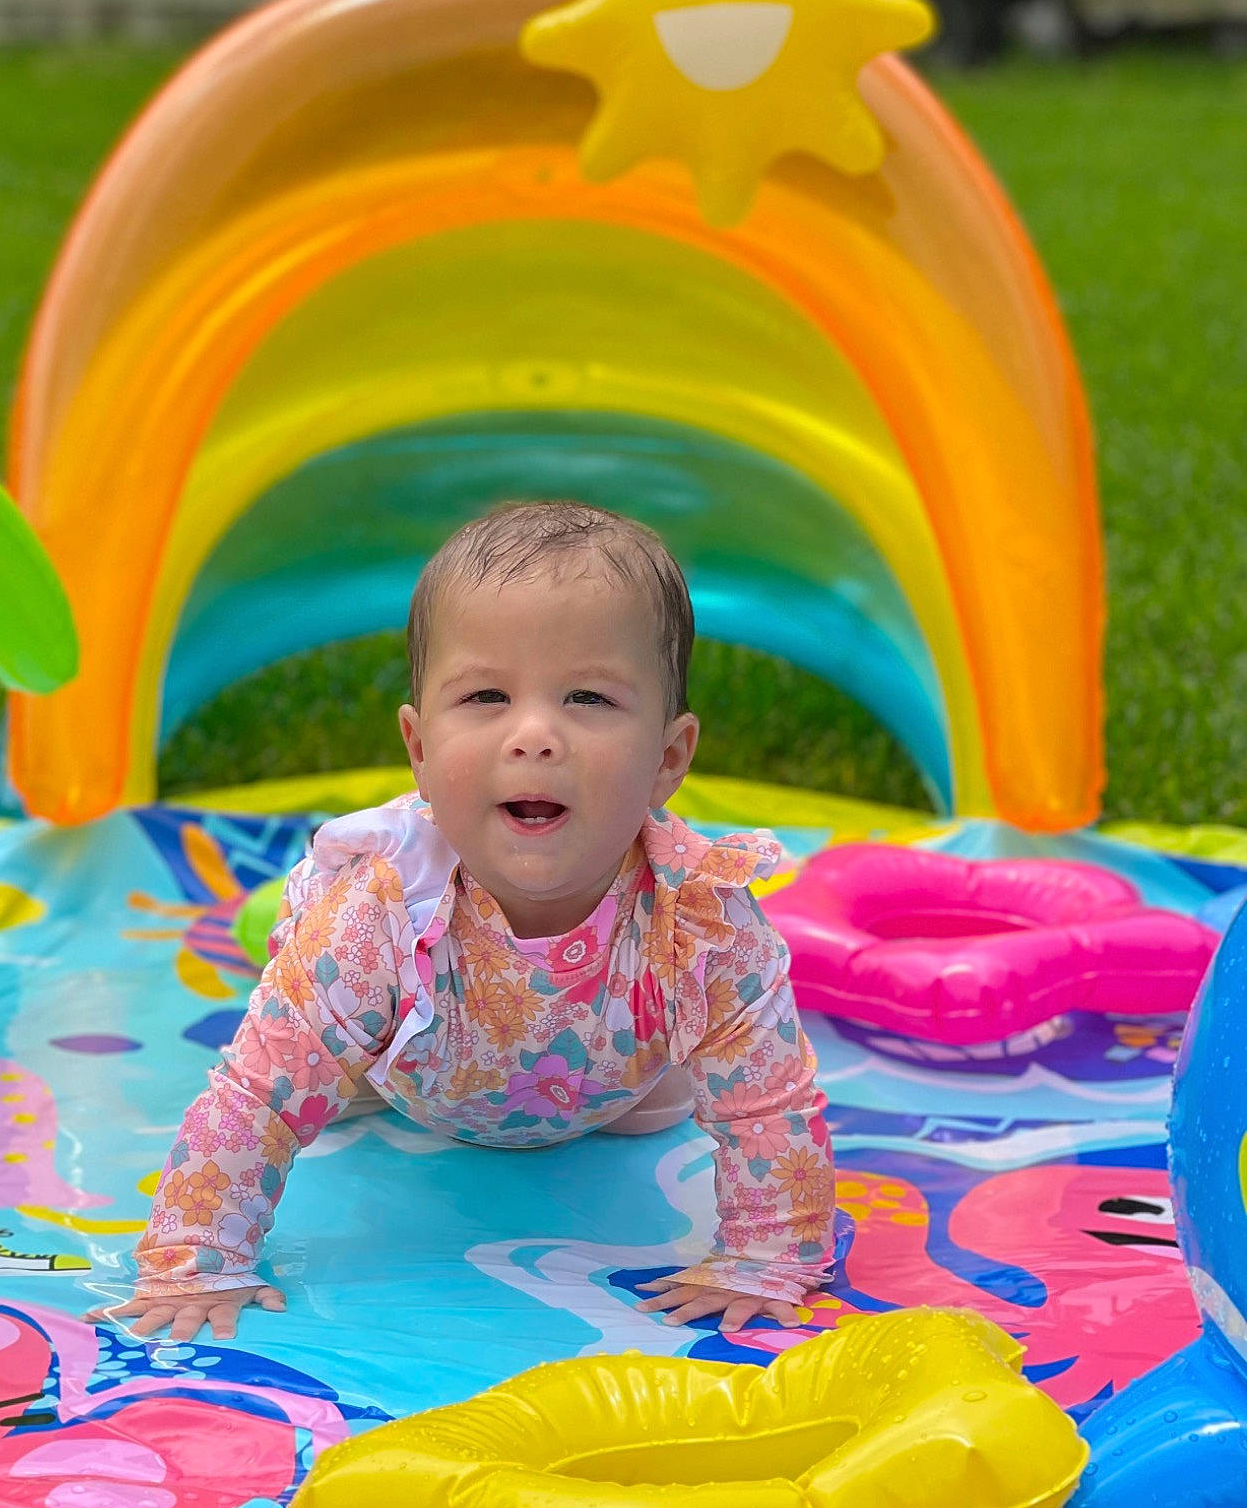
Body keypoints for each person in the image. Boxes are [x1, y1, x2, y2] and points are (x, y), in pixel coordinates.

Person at [93, 502, 835, 1344]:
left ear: (667, 760)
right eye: (485, 695)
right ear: (418, 747)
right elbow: (255, 1099)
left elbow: (769, 1109)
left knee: (672, 1101)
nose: (534, 735)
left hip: (613, 1082)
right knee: (317, 1080)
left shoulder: (699, 920)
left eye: (588, 697)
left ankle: (611, 1086)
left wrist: (765, 1261)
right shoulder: (378, 915)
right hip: (413, 1072)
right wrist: (195, 1260)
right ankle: (357, 1065)